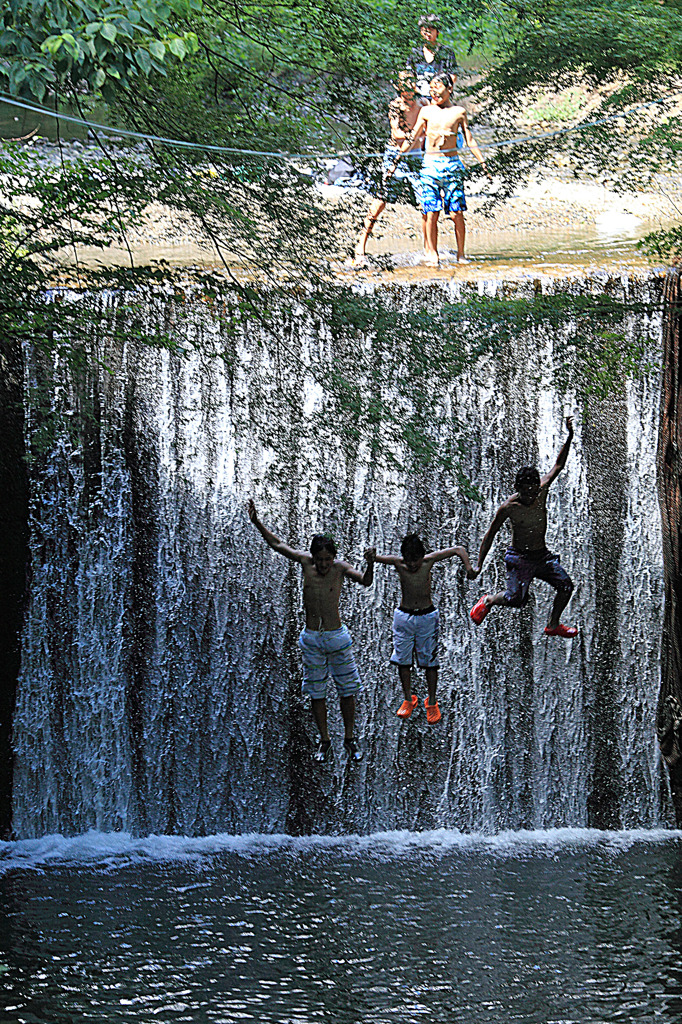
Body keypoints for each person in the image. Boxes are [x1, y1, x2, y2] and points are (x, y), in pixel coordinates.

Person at [248, 500, 375, 762]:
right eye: (320, 560)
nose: (324, 564)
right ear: (313, 556)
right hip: (311, 638)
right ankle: (324, 740)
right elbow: (277, 544)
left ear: (334, 557)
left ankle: (350, 738)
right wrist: (257, 522)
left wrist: (370, 563)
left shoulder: (340, 568)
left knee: (347, 689)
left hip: (335, 635)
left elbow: (365, 581)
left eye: (328, 559)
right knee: (316, 692)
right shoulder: (305, 563)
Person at [469, 416, 578, 638]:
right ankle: (489, 600)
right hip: (519, 558)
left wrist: (570, 436)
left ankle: (553, 624)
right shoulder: (508, 508)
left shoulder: (542, 490)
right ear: (517, 488)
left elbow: (559, 465)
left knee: (566, 586)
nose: (531, 496)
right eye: (526, 492)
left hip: (542, 556)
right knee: (516, 599)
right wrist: (479, 564)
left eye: (534, 491)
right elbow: (490, 535)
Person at [373, 533, 477, 724]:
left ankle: (432, 701)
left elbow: (458, 549)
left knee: (430, 662)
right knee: (403, 661)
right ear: (403, 557)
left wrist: (468, 567)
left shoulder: (428, 561)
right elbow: (374, 557)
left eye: (416, 560)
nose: (412, 565)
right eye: (409, 561)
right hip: (404, 616)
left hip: (427, 616)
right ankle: (408, 698)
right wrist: (370, 556)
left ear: (422, 556)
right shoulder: (398, 563)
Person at [391, 71, 489, 267]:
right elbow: (413, 137)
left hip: (452, 165)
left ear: (450, 89)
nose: (434, 93)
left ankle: (461, 254)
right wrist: (398, 158)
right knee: (431, 211)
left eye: (439, 88)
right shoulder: (426, 112)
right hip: (430, 166)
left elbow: (469, 138)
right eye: (432, 89)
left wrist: (482, 161)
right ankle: (432, 254)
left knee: (456, 213)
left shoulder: (459, 112)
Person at [352, 70, 429, 267]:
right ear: (397, 86)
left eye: (412, 82)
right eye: (404, 83)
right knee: (381, 200)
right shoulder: (396, 106)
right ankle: (360, 246)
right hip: (395, 156)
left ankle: (429, 249)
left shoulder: (423, 104)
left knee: (425, 202)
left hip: (416, 157)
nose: (408, 87)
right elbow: (396, 133)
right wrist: (416, 133)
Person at [409, 13, 458, 99]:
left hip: (439, 98)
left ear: (437, 32)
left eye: (431, 30)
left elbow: (452, 77)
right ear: (421, 32)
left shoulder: (446, 52)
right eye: (425, 30)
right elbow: (408, 75)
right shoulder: (414, 53)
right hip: (418, 98)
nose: (428, 34)